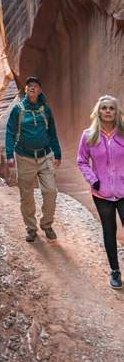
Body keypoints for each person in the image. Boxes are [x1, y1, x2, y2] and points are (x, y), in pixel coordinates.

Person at [5, 77, 62, 242]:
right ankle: (31, 228)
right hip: (24, 157)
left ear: (40, 91)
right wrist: (9, 155)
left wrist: (57, 153)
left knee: (51, 191)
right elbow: (10, 132)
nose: (32, 88)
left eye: (36, 86)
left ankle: (47, 224)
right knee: (27, 195)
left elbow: (52, 132)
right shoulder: (18, 109)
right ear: (25, 90)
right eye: (29, 86)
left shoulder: (46, 109)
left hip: (45, 156)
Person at [77, 95, 124, 290]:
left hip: (123, 192)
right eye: (104, 108)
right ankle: (115, 271)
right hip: (101, 193)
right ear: (98, 111)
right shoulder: (89, 135)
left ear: (116, 112)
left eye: (111, 108)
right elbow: (81, 161)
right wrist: (93, 180)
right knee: (109, 231)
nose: (107, 111)